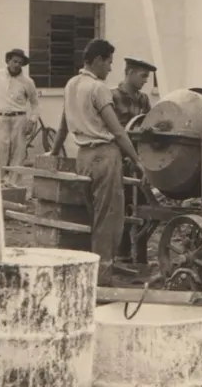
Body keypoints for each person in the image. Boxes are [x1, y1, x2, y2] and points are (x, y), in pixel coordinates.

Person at [47, 39, 146, 287]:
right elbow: (119, 132)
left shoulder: (71, 84)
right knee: (108, 219)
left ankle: (85, 273)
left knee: (90, 216)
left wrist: (55, 151)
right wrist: (137, 160)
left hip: (83, 157)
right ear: (99, 60)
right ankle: (102, 279)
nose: (111, 68)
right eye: (109, 62)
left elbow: (63, 124)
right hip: (104, 156)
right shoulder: (98, 88)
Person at [111, 57, 156, 264]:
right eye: (143, 76)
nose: (146, 80)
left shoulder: (144, 99)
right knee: (124, 203)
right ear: (129, 72)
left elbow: (148, 125)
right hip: (119, 158)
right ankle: (122, 252)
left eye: (147, 77)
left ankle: (141, 254)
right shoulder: (112, 96)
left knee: (145, 204)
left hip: (139, 160)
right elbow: (113, 131)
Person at [0, 48, 40, 186]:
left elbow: (35, 104)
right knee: (0, 152)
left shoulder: (27, 82)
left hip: (19, 119)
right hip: (1, 119)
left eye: (20, 62)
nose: (16, 64)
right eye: (14, 61)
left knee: (18, 152)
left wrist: (32, 121)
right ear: (8, 61)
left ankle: (13, 185)